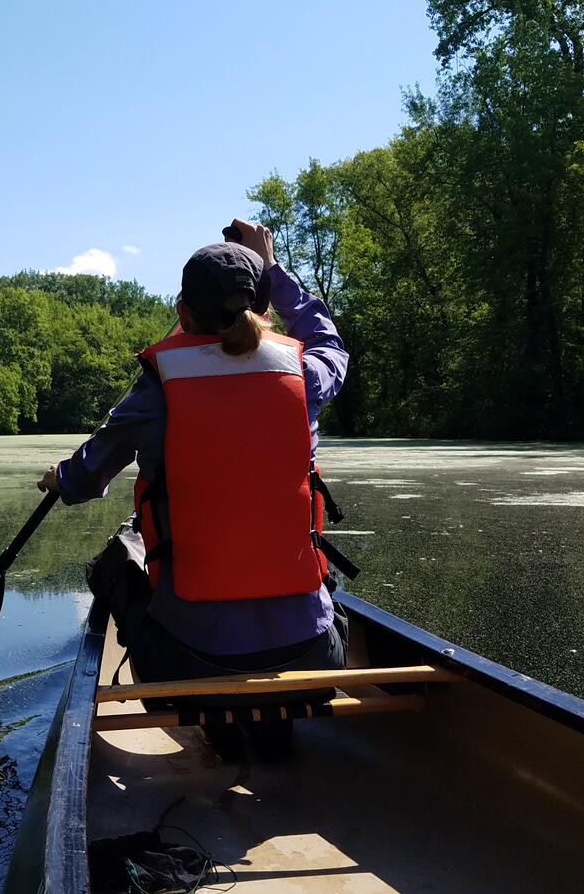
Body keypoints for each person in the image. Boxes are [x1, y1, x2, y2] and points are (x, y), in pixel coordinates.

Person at [36, 218, 350, 758]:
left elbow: (87, 476)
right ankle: (272, 717)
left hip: (187, 662)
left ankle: (216, 716)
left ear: (183, 310)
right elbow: (328, 341)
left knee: (114, 561)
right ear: (263, 305)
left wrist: (61, 478)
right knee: (319, 582)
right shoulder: (305, 377)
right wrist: (272, 268)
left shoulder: (157, 385)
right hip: (316, 661)